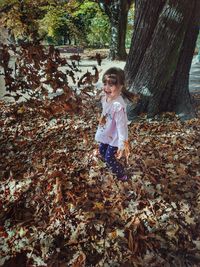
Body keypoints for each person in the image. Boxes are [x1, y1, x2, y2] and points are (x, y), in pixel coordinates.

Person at [95, 67, 129, 181]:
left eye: (111, 85)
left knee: (109, 158)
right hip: (107, 132)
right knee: (102, 151)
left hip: (115, 137)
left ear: (120, 86)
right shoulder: (106, 98)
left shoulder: (118, 106)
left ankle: (121, 174)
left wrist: (122, 144)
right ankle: (109, 165)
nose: (106, 88)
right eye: (105, 83)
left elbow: (122, 126)